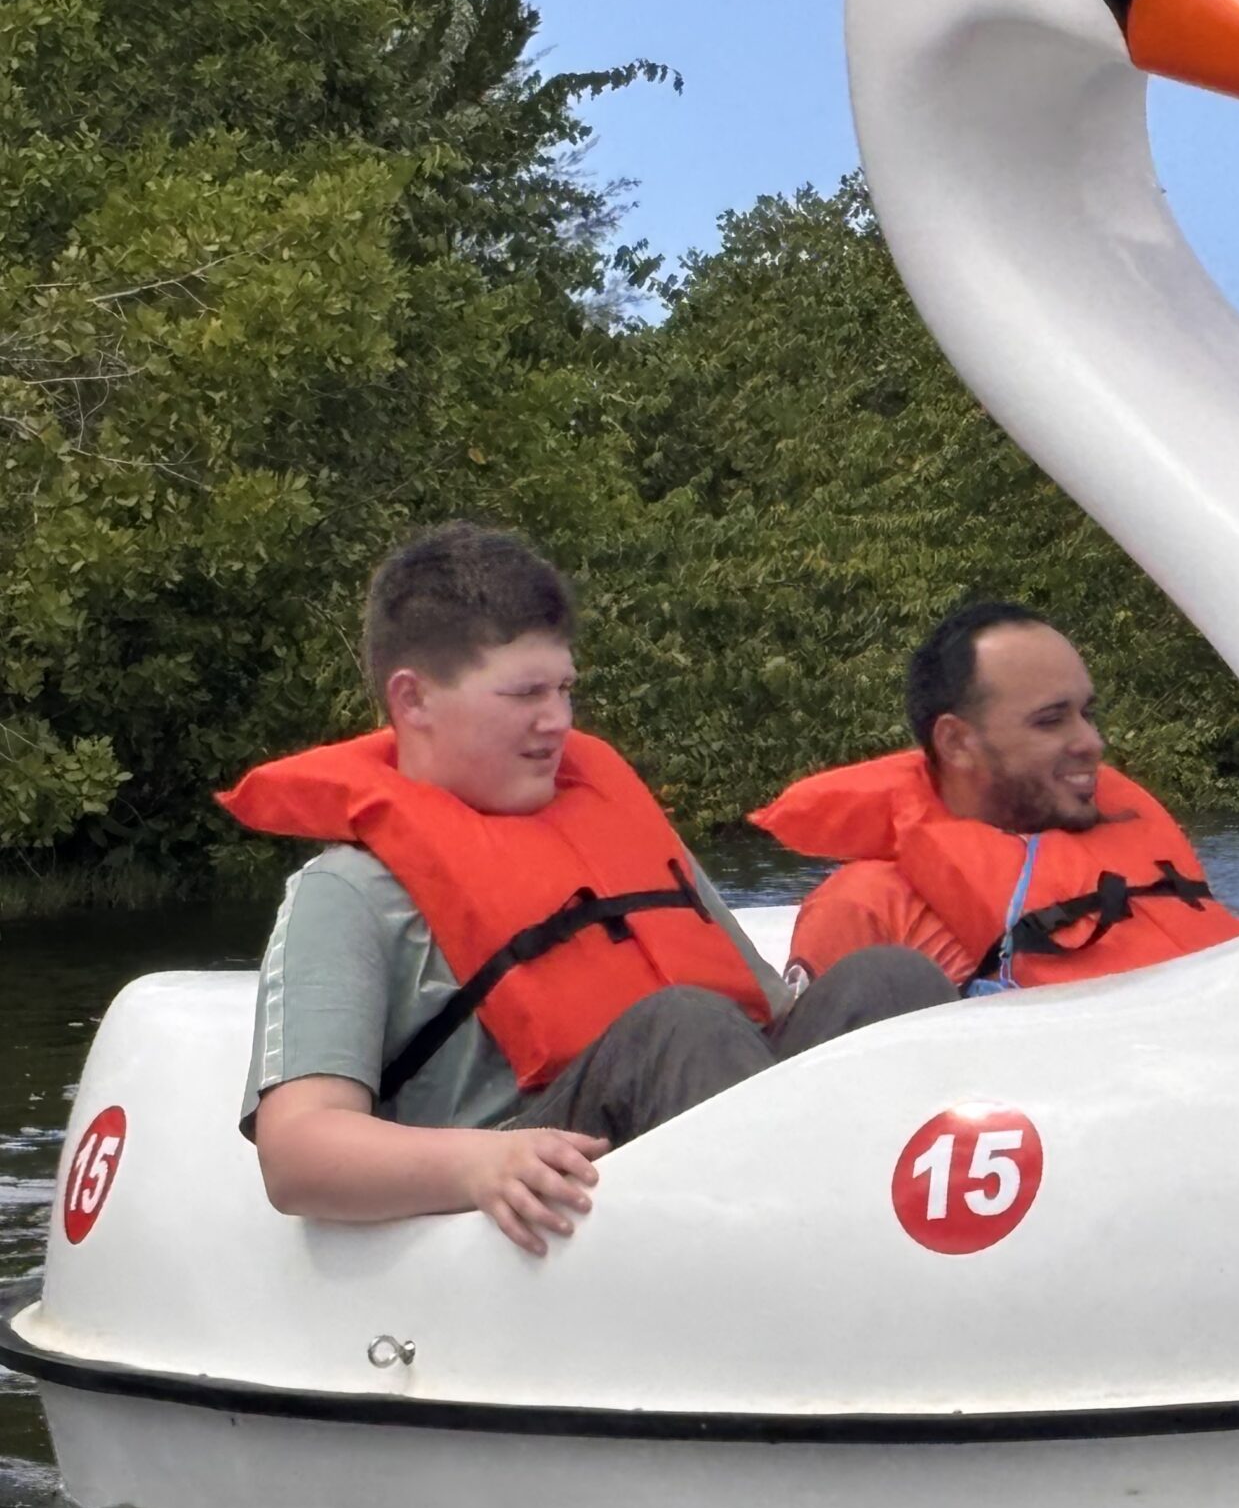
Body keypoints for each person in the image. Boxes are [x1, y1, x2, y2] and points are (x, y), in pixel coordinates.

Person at [225, 523, 952, 1256]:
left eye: (566, 688)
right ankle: (820, 1266)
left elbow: (767, 1018)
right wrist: (478, 1164)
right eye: (525, 694)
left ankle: (934, 1239)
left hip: (703, 1127)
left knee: (888, 979)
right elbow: (297, 1155)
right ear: (413, 701)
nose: (559, 721)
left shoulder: (614, 832)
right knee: (682, 1026)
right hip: (531, 1178)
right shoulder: (346, 893)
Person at [754, 602, 1239, 993]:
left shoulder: (1138, 864)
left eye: (1087, 714)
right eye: (1051, 720)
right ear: (956, 742)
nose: (1092, 743)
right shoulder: (867, 909)